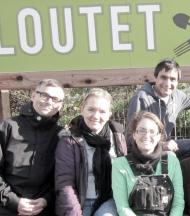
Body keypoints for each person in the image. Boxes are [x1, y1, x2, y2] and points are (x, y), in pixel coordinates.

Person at [126, 59, 190, 158]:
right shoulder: (141, 98)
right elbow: (130, 138)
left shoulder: (178, 96)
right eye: (163, 77)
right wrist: (160, 146)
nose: (167, 83)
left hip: (168, 146)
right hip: (146, 151)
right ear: (155, 77)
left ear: (177, 82)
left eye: (172, 79)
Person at [55, 88, 127, 216]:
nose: (96, 116)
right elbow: (65, 183)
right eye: (91, 109)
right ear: (82, 109)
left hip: (110, 200)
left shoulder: (118, 135)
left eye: (102, 111)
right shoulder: (69, 139)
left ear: (110, 113)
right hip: (78, 202)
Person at [0, 79, 65, 215]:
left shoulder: (62, 135)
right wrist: (13, 201)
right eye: (44, 95)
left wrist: (46, 199)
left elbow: (63, 176)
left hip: (44, 208)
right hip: (6, 207)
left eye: (55, 99)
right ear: (33, 95)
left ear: (60, 105)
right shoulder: (8, 127)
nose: (49, 101)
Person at [112, 111, 184, 215]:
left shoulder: (172, 161)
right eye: (142, 131)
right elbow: (123, 207)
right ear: (134, 134)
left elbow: (178, 203)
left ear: (159, 136)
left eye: (152, 131)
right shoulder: (120, 164)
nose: (147, 135)